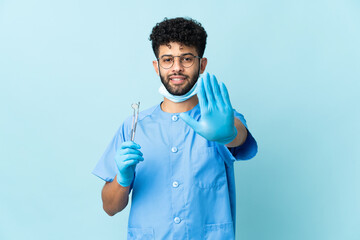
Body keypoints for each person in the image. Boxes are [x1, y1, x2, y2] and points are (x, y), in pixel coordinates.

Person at [92, 17, 258, 240]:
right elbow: (109, 207)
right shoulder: (134, 127)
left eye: (187, 58)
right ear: (156, 66)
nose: (177, 67)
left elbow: (239, 136)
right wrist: (122, 179)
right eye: (168, 59)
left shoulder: (220, 118)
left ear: (202, 64)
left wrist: (229, 134)